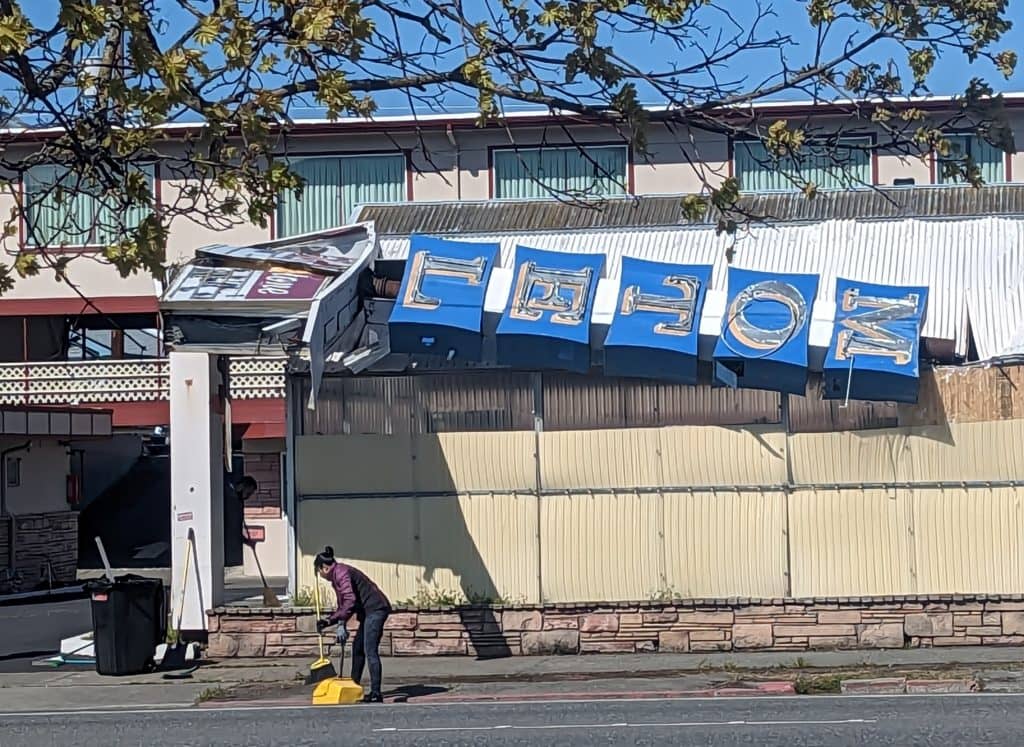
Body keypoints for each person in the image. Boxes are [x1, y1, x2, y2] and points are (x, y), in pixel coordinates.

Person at [314, 546, 392, 703]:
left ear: (325, 567)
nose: (320, 575)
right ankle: (354, 687)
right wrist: (340, 623)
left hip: (376, 609)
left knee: (369, 650)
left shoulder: (342, 573)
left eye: (319, 571)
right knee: (358, 649)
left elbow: (349, 601)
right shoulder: (337, 575)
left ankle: (376, 693)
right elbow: (342, 603)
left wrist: (330, 620)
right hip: (368, 612)